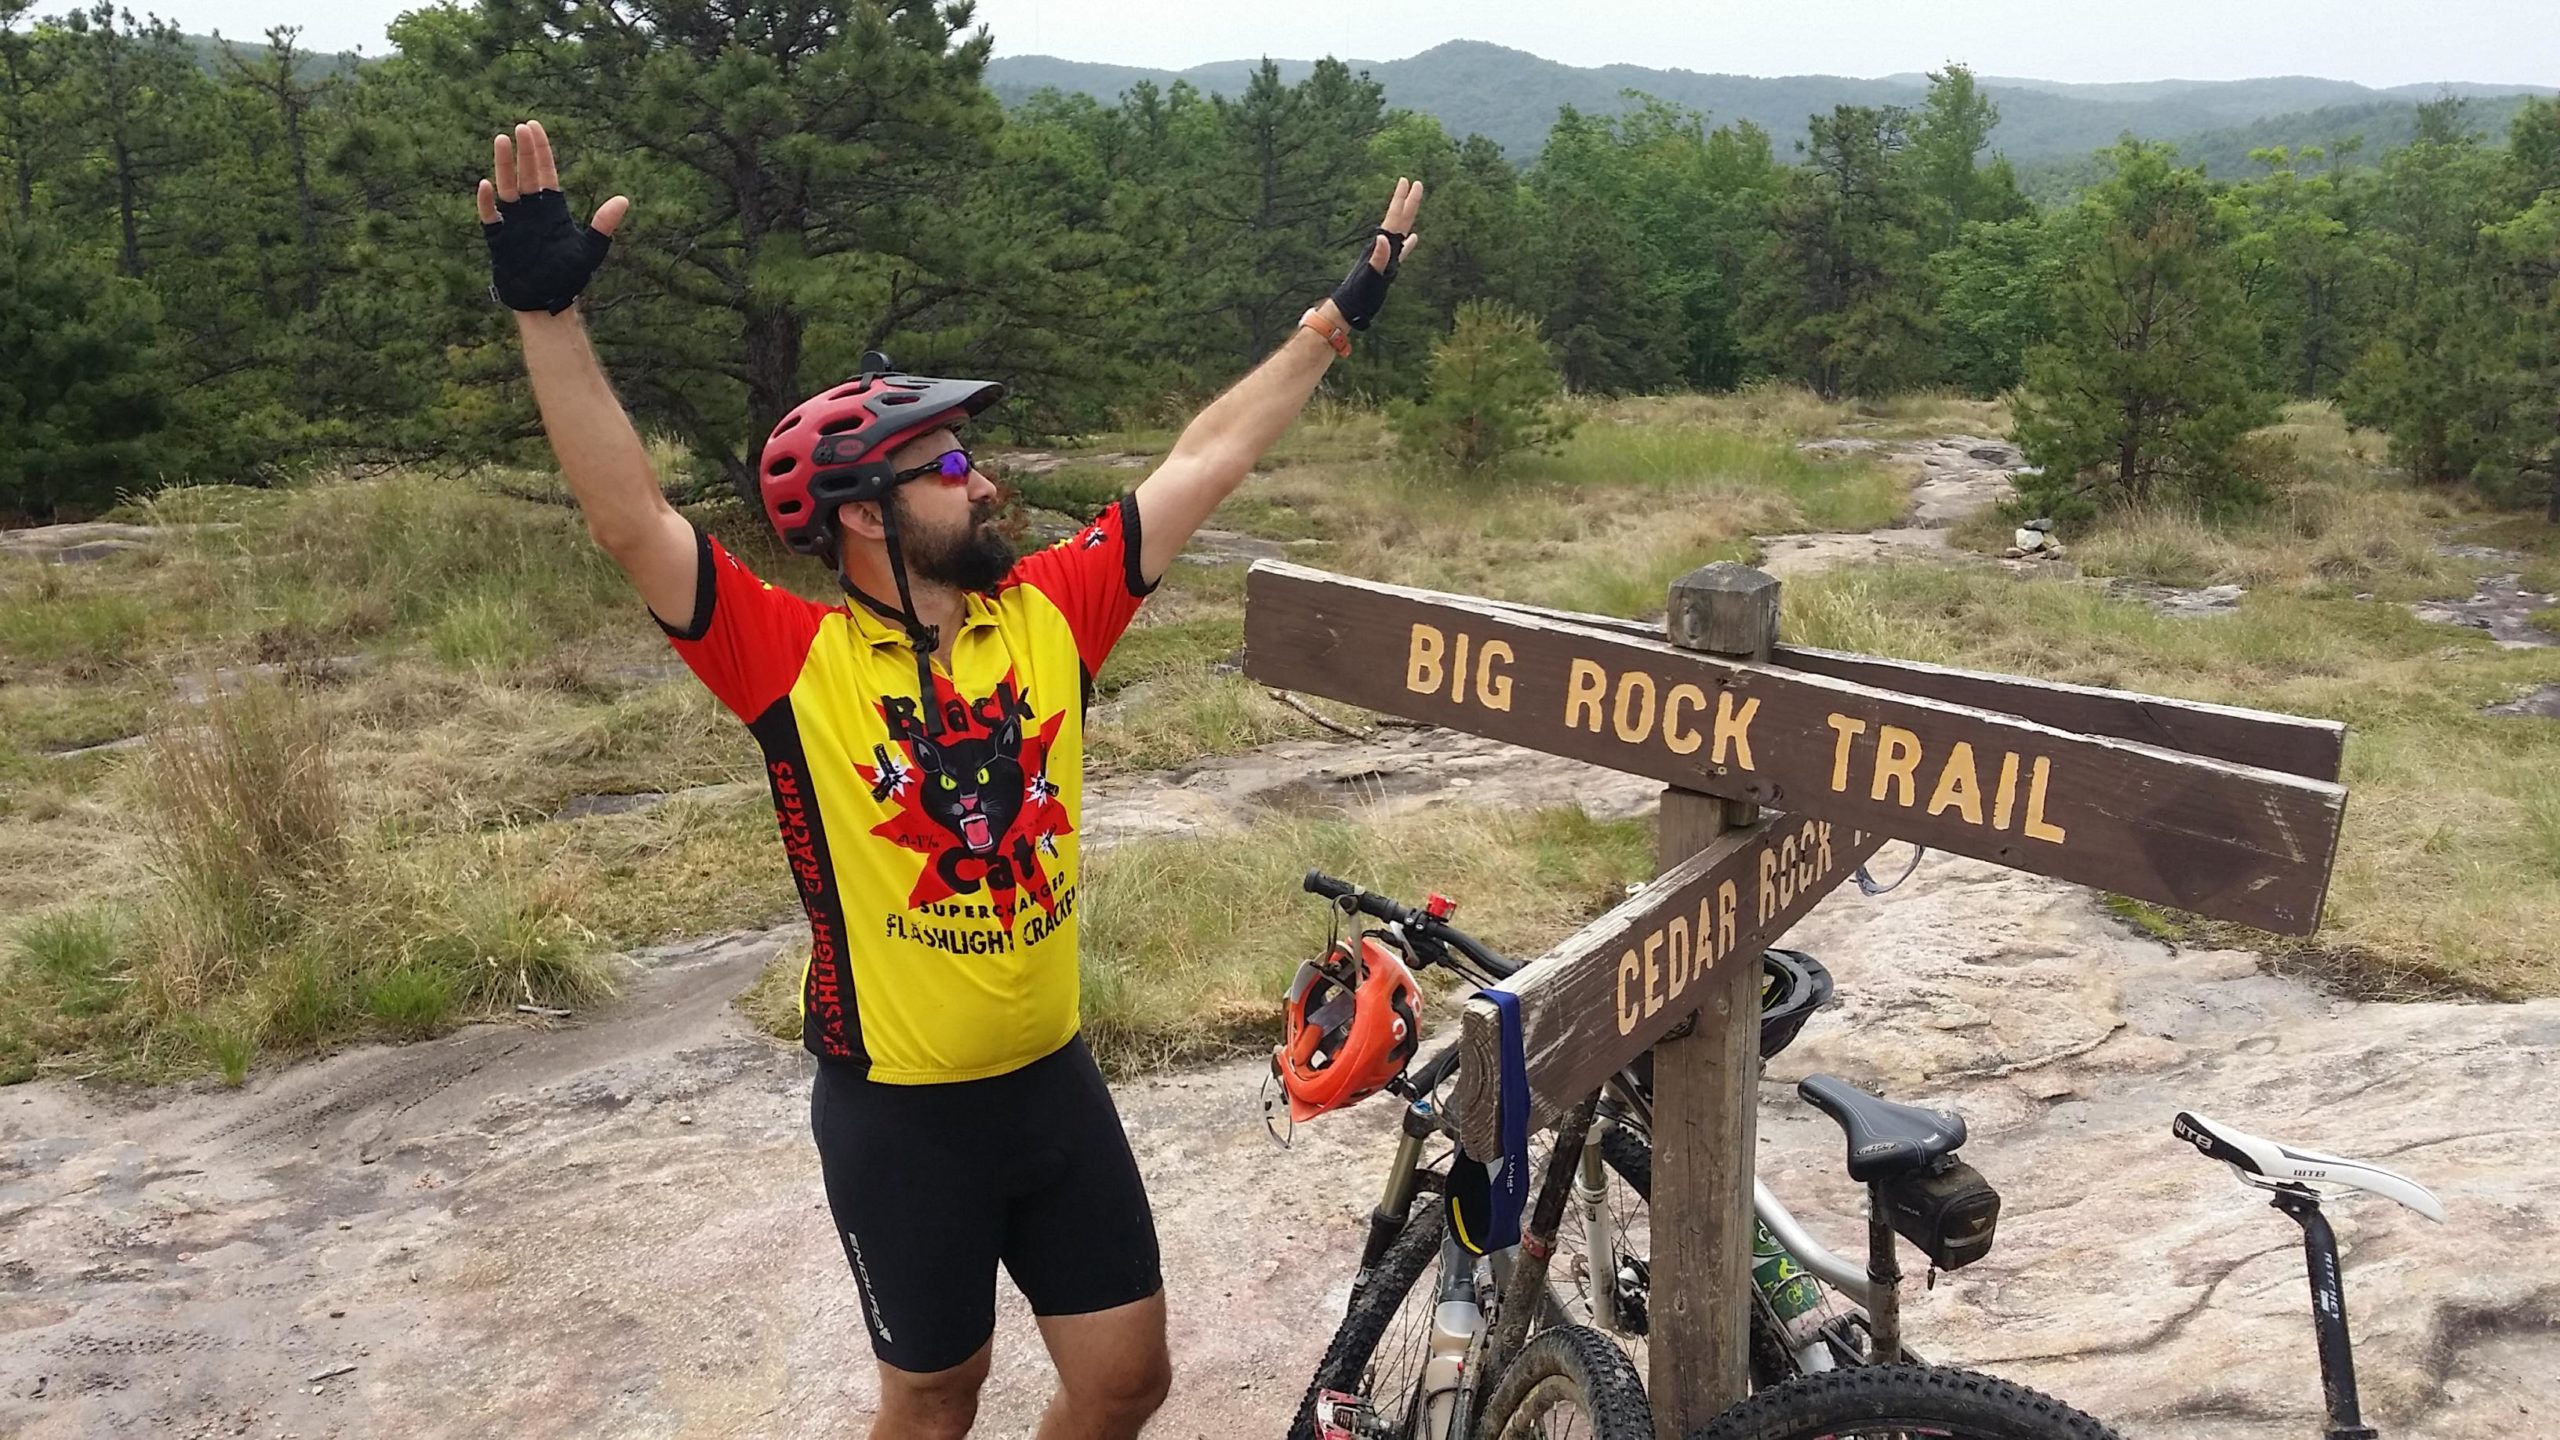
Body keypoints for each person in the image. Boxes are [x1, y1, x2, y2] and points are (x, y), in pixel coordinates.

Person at [475, 119, 1423, 1440]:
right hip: (898, 1117)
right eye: (954, 468)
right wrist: (549, 314)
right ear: (865, 509)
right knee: (933, 1402)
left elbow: (1206, 460)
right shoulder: (791, 662)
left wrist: (1339, 318)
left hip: (1053, 1083)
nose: (989, 487)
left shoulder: (1048, 615)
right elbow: (631, 517)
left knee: (1125, 1383)